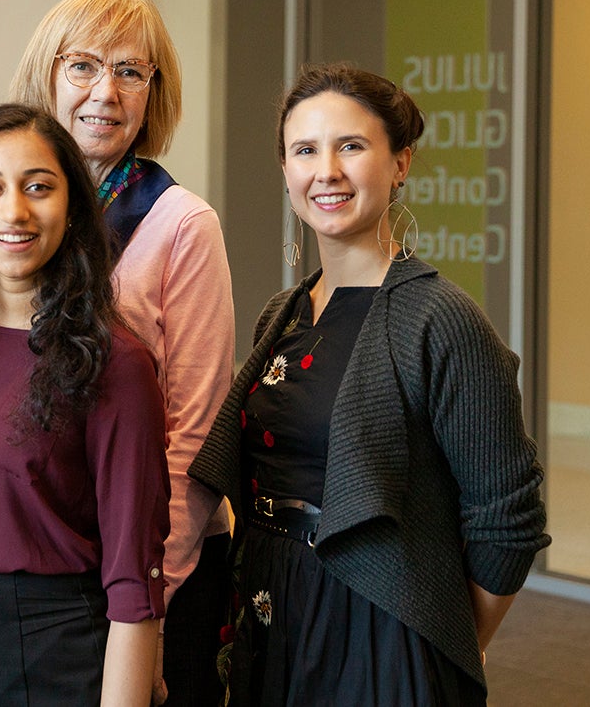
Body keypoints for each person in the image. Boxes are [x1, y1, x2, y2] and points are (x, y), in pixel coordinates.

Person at [189, 64, 549, 704]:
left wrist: (442, 633)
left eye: (351, 146)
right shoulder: (284, 312)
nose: (325, 170)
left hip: (380, 632)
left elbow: (508, 521)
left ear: (400, 162)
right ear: (286, 171)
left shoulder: (440, 320)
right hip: (272, 612)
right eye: (305, 150)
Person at [11, 0, 235, 705]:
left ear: (152, 93)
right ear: (47, 76)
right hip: (50, 555)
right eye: (83, 66)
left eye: (131, 72)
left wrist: (147, 604)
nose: (105, 92)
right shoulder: (8, 211)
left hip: (155, 567)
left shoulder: (181, 225)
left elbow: (196, 434)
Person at [0, 103, 170, 707]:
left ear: (73, 207)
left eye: (39, 188)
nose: (15, 211)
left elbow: (135, 584)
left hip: (52, 657)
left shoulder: (116, 364)